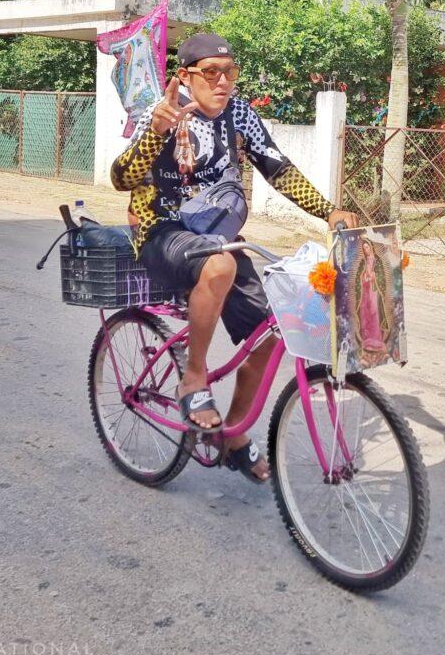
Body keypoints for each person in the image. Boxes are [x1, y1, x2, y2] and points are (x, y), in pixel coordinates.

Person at [111, 33, 357, 483]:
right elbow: (120, 177)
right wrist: (155, 134)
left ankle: (234, 436)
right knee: (220, 265)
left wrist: (329, 210)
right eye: (210, 73)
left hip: (215, 237)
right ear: (185, 76)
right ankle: (194, 377)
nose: (222, 82)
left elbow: (278, 168)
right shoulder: (164, 112)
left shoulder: (239, 114)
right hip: (161, 232)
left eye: (230, 72)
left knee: (273, 329)